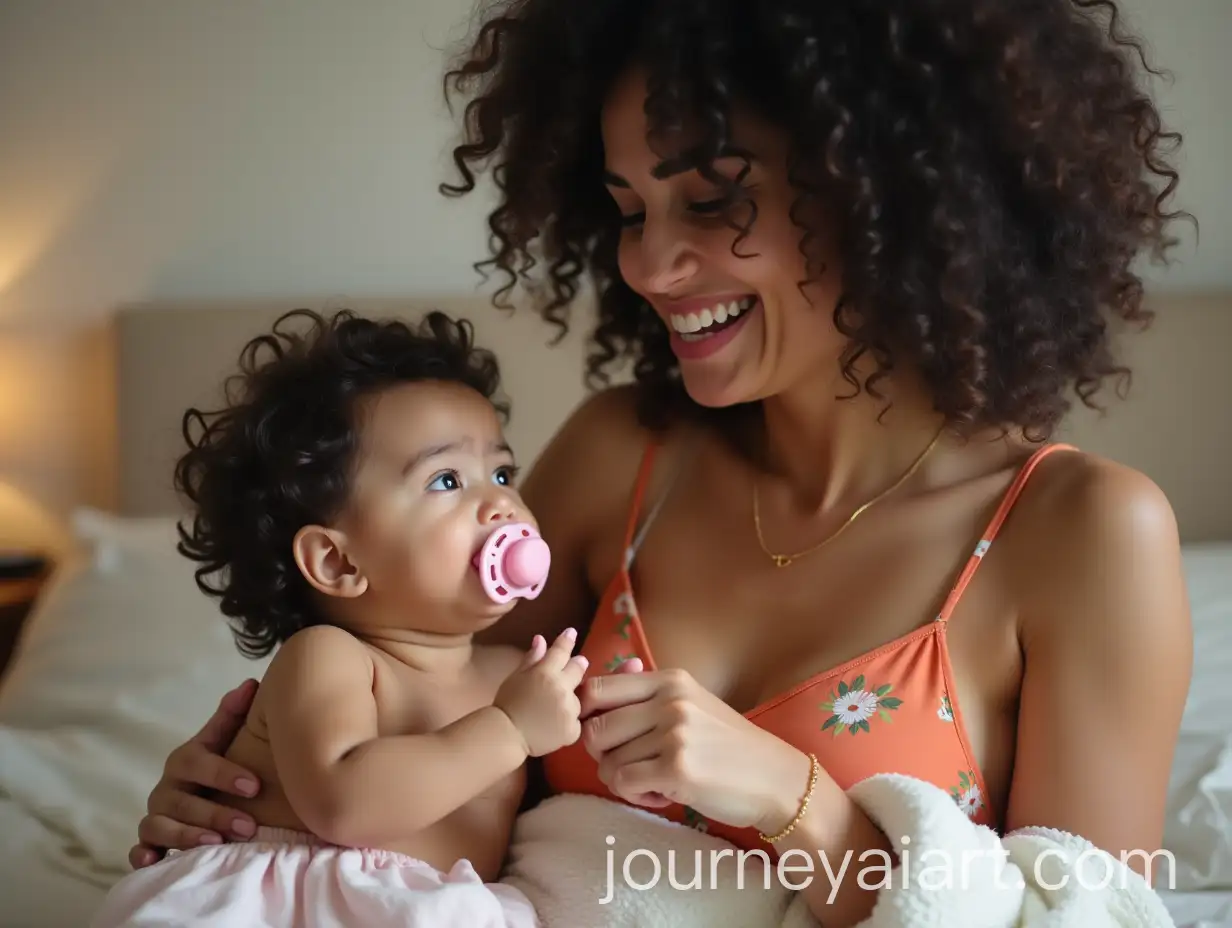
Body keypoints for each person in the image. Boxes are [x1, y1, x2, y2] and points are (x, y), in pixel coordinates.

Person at [130, 2, 1195, 925]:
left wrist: (792, 798)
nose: (645, 263)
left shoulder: (1079, 532)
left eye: (713, 197)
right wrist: (238, 800)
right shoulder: (619, 456)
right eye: (629, 209)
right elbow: (403, 700)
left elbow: (1088, 914)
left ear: (888, 193)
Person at [95, 309, 586, 926]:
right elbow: (345, 806)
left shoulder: (519, 673)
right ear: (336, 561)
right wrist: (510, 731)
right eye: (446, 480)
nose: (501, 503)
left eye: (502, 472)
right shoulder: (330, 657)